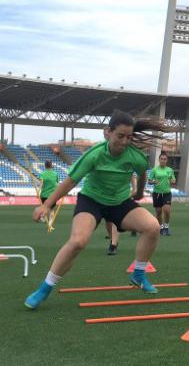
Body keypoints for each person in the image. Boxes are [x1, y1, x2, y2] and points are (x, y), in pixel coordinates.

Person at [24, 110, 169, 309]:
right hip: (91, 201)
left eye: (129, 137)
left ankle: (138, 274)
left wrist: (138, 192)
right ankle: (44, 288)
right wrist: (46, 205)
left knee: (152, 226)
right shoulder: (94, 154)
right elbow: (69, 182)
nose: (125, 141)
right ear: (107, 132)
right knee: (78, 241)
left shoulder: (134, 156)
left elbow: (142, 173)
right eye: (120, 136)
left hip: (119, 203)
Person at [106, 174, 139, 255]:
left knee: (114, 218)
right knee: (108, 221)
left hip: (122, 194)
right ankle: (113, 239)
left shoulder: (125, 163)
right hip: (107, 195)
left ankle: (113, 245)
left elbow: (132, 175)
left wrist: (134, 188)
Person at [149, 152, 176, 236]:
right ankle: (161, 227)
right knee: (158, 212)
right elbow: (149, 181)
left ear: (166, 160)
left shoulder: (170, 170)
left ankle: (166, 227)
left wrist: (172, 181)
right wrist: (153, 181)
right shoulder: (154, 170)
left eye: (165, 159)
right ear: (159, 160)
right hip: (157, 194)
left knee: (167, 210)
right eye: (161, 159)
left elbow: (173, 180)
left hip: (166, 193)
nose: (163, 161)